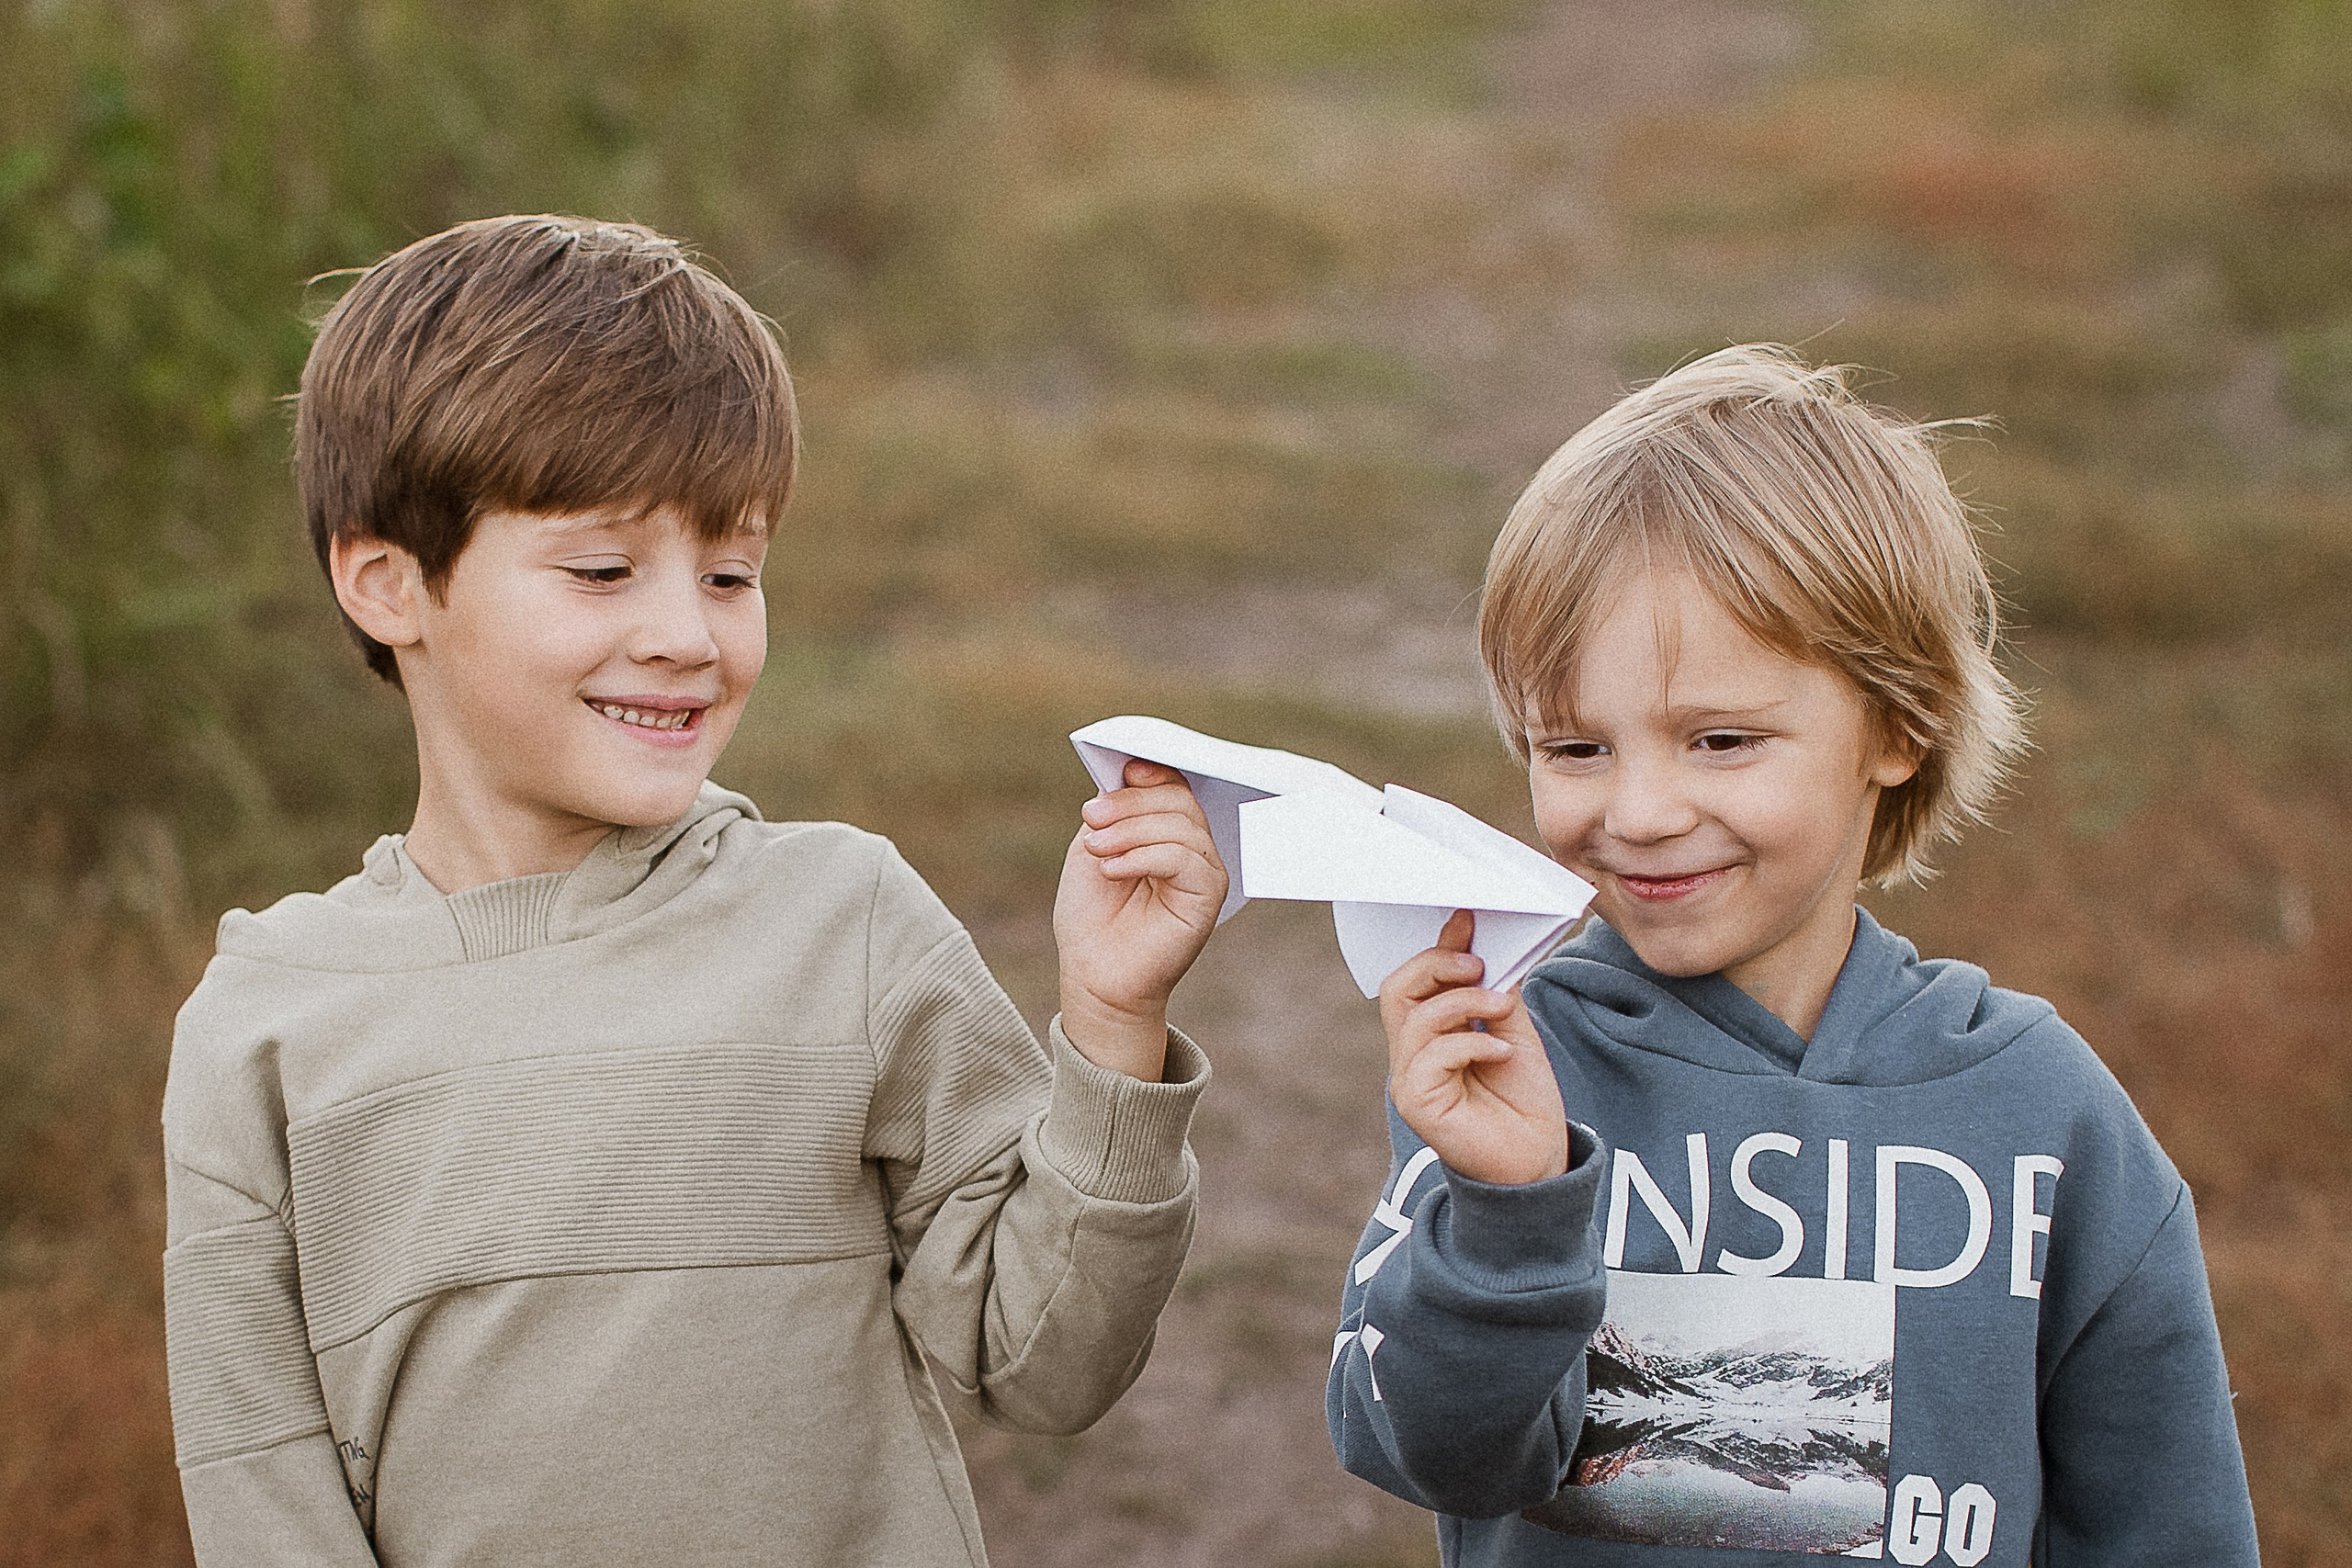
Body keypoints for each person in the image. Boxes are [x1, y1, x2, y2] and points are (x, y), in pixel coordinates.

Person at [161, 214, 1227, 1567]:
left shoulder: (844, 924)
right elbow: (259, 1482)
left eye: (732, 572)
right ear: (389, 584)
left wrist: (1115, 1031)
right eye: (603, 569)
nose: (687, 635)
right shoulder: (269, 1021)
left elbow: (1046, 1363)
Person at [1329, 346, 2259, 1567]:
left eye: (1719, 740)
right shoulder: (1514, 1068)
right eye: (1573, 748)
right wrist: (1510, 1208)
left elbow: (2168, 1525)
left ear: (1900, 725)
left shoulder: (2046, 1114)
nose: (1643, 811)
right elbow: (1430, 1451)